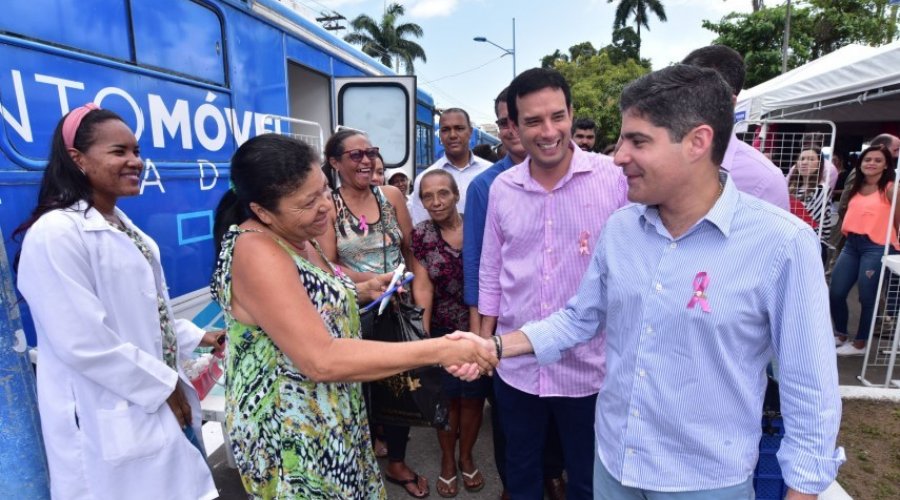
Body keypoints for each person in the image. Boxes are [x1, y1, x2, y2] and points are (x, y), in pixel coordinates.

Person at [464, 64, 845, 499]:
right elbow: (577, 319)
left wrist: (802, 491)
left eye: (638, 141)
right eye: (623, 139)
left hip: (704, 482)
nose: (619, 155)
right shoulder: (623, 229)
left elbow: (810, 392)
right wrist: (492, 347)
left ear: (697, 142)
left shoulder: (781, 244)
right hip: (615, 465)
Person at [211, 134, 496, 499]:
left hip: (334, 413)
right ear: (263, 211)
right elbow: (321, 359)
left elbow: (311, 295)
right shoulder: (255, 250)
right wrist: (439, 350)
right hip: (294, 432)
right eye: (307, 202)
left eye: (324, 192)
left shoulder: (298, 234)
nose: (326, 209)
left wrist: (363, 288)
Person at [15, 104, 219, 499]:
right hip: (108, 419)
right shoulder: (56, 233)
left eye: (137, 151)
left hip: (153, 408)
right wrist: (166, 386)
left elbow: (145, 314)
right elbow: (84, 343)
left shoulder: (125, 228)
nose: (136, 162)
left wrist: (198, 336)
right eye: (119, 152)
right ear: (77, 159)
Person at [479, 68, 629, 499]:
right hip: (517, 369)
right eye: (532, 121)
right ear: (513, 126)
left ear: (571, 114)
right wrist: (485, 346)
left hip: (591, 369)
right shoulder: (503, 188)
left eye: (557, 117)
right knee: (520, 475)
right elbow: (492, 271)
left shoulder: (613, 179)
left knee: (588, 480)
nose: (548, 132)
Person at [463, 86, 565, 500]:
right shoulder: (488, 187)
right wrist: (480, 341)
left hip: (572, 340)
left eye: (513, 120)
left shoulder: (594, 178)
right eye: (503, 122)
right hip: (508, 337)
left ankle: (553, 476)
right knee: (513, 431)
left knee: (563, 428)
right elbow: (481, 268)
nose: (510, 130)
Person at [316, 128, 426, 498]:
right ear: (334, 162)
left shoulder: (391, 195)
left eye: (371, 152)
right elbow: (328, 265)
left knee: (400, 387)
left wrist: (417, 300)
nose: (366, 161)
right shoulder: (328, 206)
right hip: (355, 312)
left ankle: (396, 459)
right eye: (355, 155)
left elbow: (411, 249)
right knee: (360, 391)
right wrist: (374, 280)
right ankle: (363, 460)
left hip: (399, 307)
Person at [409, 170, 488, 497]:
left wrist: (482, 334)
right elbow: (423, 288)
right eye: (428, 196)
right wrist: (424, 342)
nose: (436, 201)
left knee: (472, 400)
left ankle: (466, 456)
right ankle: (446, 459)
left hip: (478, 327)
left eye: (443, 193)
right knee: (446, 401)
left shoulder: (477, 226)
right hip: (441, 331)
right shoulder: (422, 234)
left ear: (457, 195)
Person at [682, 44, 790, 211]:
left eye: (695, 96)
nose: (681, 105)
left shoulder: (765, 180)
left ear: (729, 104)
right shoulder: (652, 162)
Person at [831, 144, 900, 356]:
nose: (871, 163)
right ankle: (841, 334)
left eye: (878, 160)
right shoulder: (856, 186)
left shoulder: (890, 188)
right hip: (852, 244)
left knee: (867, 297)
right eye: (867, 159)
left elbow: (898, 221)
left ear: (886, 164)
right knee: (836, 291)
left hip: (877, 247)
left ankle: (861, 343)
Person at [408, 108, 492, 224]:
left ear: (470, 132)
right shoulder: (424, 179)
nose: (452, 135)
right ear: (440, 135)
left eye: (459, 128)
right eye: (446, 130)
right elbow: (421, 227)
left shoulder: (490, 172)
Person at [786, 148, 835, 265]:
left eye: (811, 159)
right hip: (793, 243)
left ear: (820, 164)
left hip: (812, 246)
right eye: (802, 159)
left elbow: (806, 220)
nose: (804, 162)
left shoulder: (821, 190)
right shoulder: (792, 188)